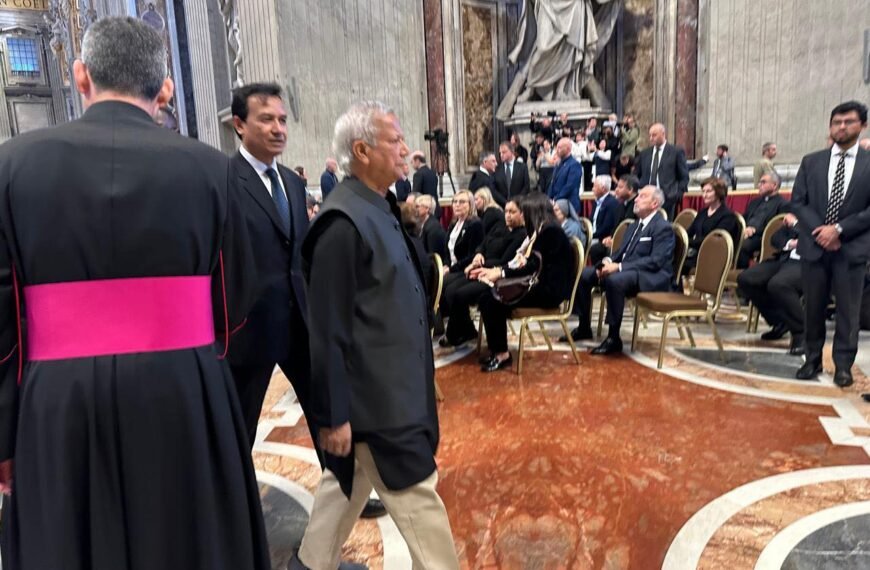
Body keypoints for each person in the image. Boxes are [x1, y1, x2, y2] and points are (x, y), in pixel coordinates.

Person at [0, 17, 269, 569]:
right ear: (166, 88)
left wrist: (4, 433)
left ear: (80, 77)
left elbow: (2, 325)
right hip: (184, 391)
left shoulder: (10, 166)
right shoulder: (213, 170)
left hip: (55, 404)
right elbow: (238, 300)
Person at [291, 100, 459, 570]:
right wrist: (335, 414)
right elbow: (328, 331)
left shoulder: (378, 207)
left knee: (344, 489)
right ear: (362, 150)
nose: (406, 149)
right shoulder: (341, 224)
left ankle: (308, 564)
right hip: (378, 403)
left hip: (394, 389)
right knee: (419, 503)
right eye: (396, 140)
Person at [228, 83, 388, 520]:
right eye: (267, 119)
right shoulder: (225, 182)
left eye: (282, 119)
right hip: (250, 326)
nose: (279, 128)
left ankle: (346, 495)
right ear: (239, 125)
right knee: (241, 422)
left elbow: (299, 255)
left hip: (300, 320)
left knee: (328, 411)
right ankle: (238, 507)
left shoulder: (294, 184)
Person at [791, 101, 870, 387]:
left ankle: (843, 366)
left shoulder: (867, 164)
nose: (841, 127)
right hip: (815, 246)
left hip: (851, 248)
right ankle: (812, 359)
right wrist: (821, 232)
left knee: (849, 311)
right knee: (813, 307)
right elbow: (799, 202)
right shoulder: (812, 161)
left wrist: (838, 230)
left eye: (848, 122)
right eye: (836, 122)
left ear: (862, 126)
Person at [474, 192, 574, 372]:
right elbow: (530, 265)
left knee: (493, 300)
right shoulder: (546, 229)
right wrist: (503, 272)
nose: (524, 217)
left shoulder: (550, 232)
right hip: (540, 284)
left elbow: (532, 265)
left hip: (549, 291)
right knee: (488, 296)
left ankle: (501, 353)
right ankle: (498, 349)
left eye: (526, 213)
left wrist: (502, 272)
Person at [565, 186, 675, 349]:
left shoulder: (662, 227)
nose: (636, 199)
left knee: (615, 280)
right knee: (584, 274)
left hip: (649, 275)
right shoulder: (634, 225)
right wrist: (607, 262)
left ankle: (613, 337)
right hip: (628, 270)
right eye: (637, 196)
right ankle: (584, 327)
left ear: (654, 204)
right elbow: (620, 252)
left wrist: (619, 267)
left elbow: (656, 261)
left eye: (642, 197)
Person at [441, 198, 527, 348]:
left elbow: (505, 261)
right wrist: (478, 254)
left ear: (522, 214)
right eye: (506, 211)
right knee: (449, 289)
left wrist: (477, 266)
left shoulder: (521, 235)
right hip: (480, 267)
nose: (507, 215)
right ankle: (466, 329)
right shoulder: (499, 226)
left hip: (494, 275)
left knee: (459, 293)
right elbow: (483, 243)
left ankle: (455, 333)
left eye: (512, 212)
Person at [737, 213, 804, 355]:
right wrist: (790, 243)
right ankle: (780, 321)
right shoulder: (800, 214)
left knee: (778, 284)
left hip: (806, 263)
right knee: (746, 279)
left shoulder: (823, 213)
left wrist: (796, 225)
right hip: (784, 258)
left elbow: (815, 237)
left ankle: (800, 332)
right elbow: (776, 238)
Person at [683, 177, 740, 274]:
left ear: (719, 193)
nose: (704, 195)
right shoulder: (702, 213)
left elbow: (713, 241)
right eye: (703, 191)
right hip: (698, 253)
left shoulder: (728, 216)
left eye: (708, 191)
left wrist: (687, 242)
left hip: (714, 257)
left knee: (677, 265)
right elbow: (689, 232)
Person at [634, 123, 689, 219]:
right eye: (650, 135)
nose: (651, 138)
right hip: (646, 199)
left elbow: (684, 176)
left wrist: (676, 195)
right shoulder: (645, 153)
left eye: (654, 135)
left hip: (667, 198)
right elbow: (636, 174)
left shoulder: (675, 152)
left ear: (663, 134)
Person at [737, 171, 788, 268]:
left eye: (763, 182)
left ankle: (740, 274)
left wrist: (754, 231)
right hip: (745, 233)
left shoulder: (783, 204)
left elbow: (775, 227)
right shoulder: (754, 202)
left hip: (763, 237)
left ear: (774, 185)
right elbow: (743, 218)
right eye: (759, 182)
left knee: (744, 245)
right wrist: (744, 228)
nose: (759, 185)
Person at [443, 190, 484, 274]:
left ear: (470, 205)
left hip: (464, 269)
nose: (457, 205)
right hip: (451, 267)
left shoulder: (475, 224)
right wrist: (446, 265)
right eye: (455, 201)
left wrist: (450, 270)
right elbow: (447, 251)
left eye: (462, 202)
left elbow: (472, 255)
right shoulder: (453, 224)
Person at [547, 137, 583, 213]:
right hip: (556, 205)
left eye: (559, 147)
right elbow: (553, 183)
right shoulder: (558, 165)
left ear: (568, 148)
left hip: (569, 205)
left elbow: (570, 186)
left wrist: (556, 199)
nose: (557, 150)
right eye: (556, 147)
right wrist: (549, 198)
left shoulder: (574, 165)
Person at [493, 140, 531, 206]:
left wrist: (516, 201)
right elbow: (494, 189)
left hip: (519, 204)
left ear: (512, 151)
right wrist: (505, 202)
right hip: (501, 205)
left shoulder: (522, 167)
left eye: (504, 152)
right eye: (500, 153)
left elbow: (526, 187)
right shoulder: (497, 169)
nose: (501, 155)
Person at [416, 193, 448, 260]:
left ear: (427, 209)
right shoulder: (424, 224)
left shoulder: (433, 228)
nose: (414, 209)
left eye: (417, 206)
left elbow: (434, 256)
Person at [411, 150, 441, 218]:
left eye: (412, 162)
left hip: (424, 210)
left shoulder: (418, 174)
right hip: (435, 208)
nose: (412, 165)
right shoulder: (433, 173)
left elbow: (415, 194)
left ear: (417, 161)